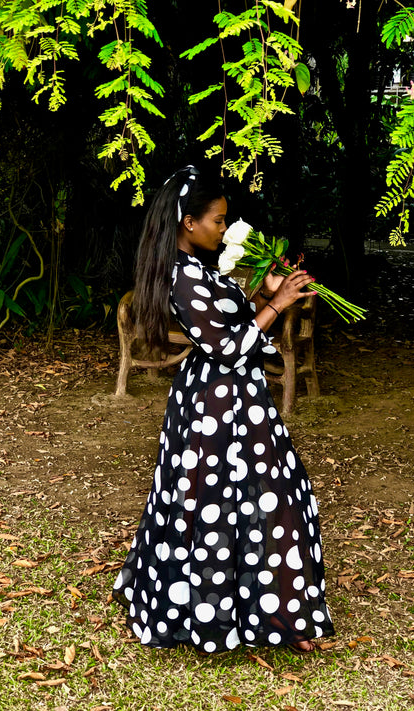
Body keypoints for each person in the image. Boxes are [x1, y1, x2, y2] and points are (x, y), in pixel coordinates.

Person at [112, 165, 335, 653]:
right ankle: (239, 615)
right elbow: (230, 346)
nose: (223, 228)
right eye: (217, 220)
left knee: (254, 501)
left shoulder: (196, 269)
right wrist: (278, 304)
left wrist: (265, 289)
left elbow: (233, 319)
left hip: (231, 400)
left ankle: (274, 611)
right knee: (229, 505)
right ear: (188, 222)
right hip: (219, 406)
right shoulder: (183, 276)